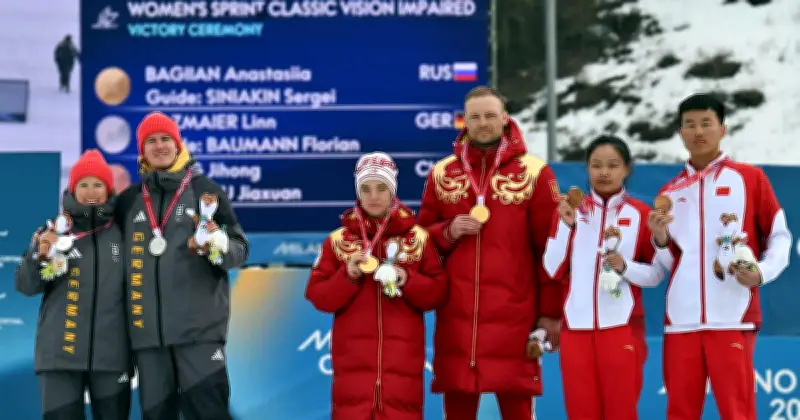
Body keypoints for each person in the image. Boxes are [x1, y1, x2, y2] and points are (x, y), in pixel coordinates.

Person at [418, 86, 563, 419]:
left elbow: (551, 250)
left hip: (516, 315)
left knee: (517, 407)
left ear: (505, 118)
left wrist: (550, 313)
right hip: (457, 318)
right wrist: (448, 230)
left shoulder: (535, 173)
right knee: (457, 407)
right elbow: (420, 241)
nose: (483, 123)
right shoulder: (443, 174)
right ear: (464, 122)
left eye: (490, 115)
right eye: (475, 117)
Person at [649, 93, 791, 419]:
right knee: (681, 412)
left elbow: (780, 236)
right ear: (680, 132)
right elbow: (669, 263)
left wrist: (762, 272)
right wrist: (659, 240)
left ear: (722, 129)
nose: (698, 131)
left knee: (737, 412)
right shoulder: (670, 193)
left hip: (732, 316)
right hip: (682, 322)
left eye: (706, 123)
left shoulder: (749, 179)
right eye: (689, 125)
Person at [115, 112, 249, 420]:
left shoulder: (207, 192)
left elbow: (239, 251)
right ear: (142, 150)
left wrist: (218, 246)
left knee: (209, 414)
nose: (160, 146)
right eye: (151, 141)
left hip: (198, 335)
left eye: (166, 139)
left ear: (178, 146)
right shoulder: (128, 201)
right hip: (149, 341)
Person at [305, 152, 447, 420]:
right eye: (366, 188)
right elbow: (318, 295)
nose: (374, 196)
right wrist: (347, 275)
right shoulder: (338, 241)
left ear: (393, 190)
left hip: (402, 375)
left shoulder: (418, 239)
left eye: (382, 188)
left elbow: (438, 292)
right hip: (353, 379)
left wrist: (406, 278)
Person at [543, 136, 663, 420]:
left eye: (613, 165)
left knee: (620, 412)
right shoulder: (569, 212)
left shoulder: (640, 215)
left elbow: (656, 274)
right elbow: (551, 268)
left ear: (627, 169)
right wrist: (566, 226)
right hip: (576, 331)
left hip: (622, 329)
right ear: (587, 169)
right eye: (596, 165)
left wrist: (625, 268)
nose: (604, 172)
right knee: (581, 413)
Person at [15, 149, 132, 419]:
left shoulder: (123, 234)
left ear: (108, 189)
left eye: (98, 185)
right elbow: (25, 285)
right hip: (60, 356)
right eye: (84, 184)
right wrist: (39, 256)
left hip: (111, 358)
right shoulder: (53, 232)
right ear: (72, 188)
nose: (91, 192)